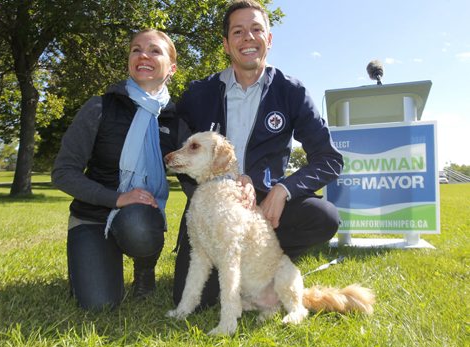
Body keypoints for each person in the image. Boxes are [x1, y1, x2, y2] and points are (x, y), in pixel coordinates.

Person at [172, 0, 344, 307]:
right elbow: (174, 146)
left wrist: (283, 189)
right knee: (200, 302)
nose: (248, 38)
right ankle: (241, 271)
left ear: (269, 38)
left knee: (324, 217)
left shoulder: (292, 92)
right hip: (215, 212)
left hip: (266, 208)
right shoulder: (199, 94)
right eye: (238, 32)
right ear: (226, 44)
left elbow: (329, 158)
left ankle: (267, 266)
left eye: (256, 29)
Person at [52, 29, 189, 311]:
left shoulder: (176, 121)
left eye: (154, 50)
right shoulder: (100, 106)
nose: (143, 55)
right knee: (98, 305)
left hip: (139, 218)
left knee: (138, 225)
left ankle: (144, 266)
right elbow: (63, 172)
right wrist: (116, 198)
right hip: (92, 215)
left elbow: (196, 169)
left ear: (171, 68)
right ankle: (93, 258)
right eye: (136, 49)